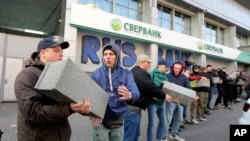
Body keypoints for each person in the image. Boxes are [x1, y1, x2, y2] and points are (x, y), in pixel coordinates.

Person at [14, 36, 91, 141]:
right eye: (56, 50)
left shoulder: (58, 75)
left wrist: (81, 106)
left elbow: (68, 103)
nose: (61, 54)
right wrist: (69, 108)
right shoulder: (26, 76)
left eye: (61, 51)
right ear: (43, 53)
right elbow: (32, 113)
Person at [90, 43, 140, 141]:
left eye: (111, 54)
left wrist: (130, 95)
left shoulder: (126, 73)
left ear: (117, 56)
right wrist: (93, 112)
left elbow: (135, 91)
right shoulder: (95, 74)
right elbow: (91, 95)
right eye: (105, 54)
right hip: (100, 119)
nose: (108, 57)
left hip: (118, 119)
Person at [124, 55, 173, 141]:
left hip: (134, 109)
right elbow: (150, 87)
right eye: (148, 63)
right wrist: (164, 96)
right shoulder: (140, 74)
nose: (149, 65)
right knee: (130, 137)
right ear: (143, 63)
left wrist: (152, 95)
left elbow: (143, 89)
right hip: (132, 110)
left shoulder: (135, 72)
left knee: (134, 135)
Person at [163, 62, 192, 141]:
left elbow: (188, 87)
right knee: (168, 119)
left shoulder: (184, 77)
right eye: (175, 68)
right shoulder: (167, 76)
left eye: (178, 68)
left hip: (180, 102)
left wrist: (193, 95)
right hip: (170, 101)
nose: (176, 70)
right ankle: (164, 136)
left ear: (181, 69)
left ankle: (174, 134)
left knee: (179, 119)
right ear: (172, 68)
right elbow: (163, 87)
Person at [147, 60, 169, 141]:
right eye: (166, 66)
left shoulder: (165, 77)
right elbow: (148, 87)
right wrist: (151, 95)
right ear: (160, 66)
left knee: (163, 122)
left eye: (167, 67)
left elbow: (167, 89)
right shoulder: (151, 74)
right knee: (152, 124)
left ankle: (159, 138)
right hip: (153, 103)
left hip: (162, 102)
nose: (167, 68)